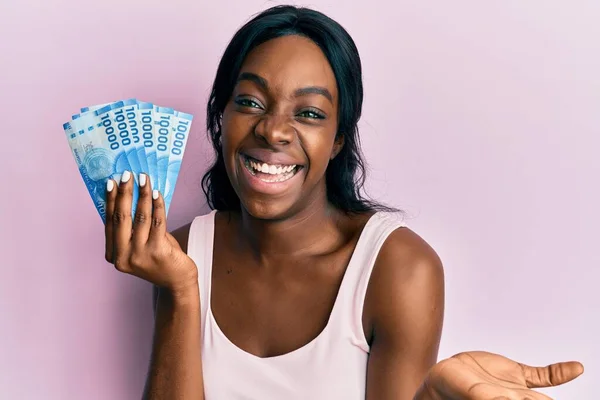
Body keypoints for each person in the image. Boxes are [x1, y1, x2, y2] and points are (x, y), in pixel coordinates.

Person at [102, 5, 584, 399]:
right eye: (250, 101)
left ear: (337, 141)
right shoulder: (181, 255)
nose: (272, 129)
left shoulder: (398, 269)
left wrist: (431, 398)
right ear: (220, 118)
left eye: (310, 113)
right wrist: (182, 290)